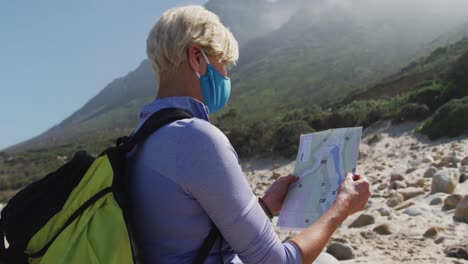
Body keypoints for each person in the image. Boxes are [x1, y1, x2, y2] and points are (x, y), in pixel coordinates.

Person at [127, 5, 371, 264]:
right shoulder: (195, 137)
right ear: (197, 57)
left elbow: (186, 236)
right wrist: (342, 206)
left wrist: (264, 207)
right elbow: (277, 262)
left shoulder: (138, 139)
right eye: (224, 65)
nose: (226, 76)